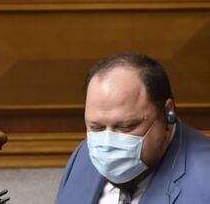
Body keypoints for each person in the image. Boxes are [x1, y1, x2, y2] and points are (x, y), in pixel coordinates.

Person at [56, 53, 210, 203]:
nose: (107, 144)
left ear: (167, 114)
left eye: (125, 127)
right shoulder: (83, 156)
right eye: (97, 128)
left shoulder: (205, 183)